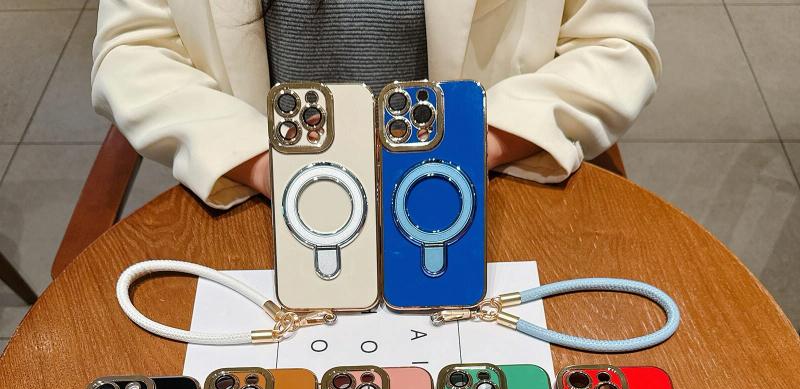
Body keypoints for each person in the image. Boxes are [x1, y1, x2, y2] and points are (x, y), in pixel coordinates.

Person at [90, 0, 661, 210]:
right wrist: (262, 166)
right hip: (264, 202)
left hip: (485, 188)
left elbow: (613, 46)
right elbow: (134, 50)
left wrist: (477, 144)